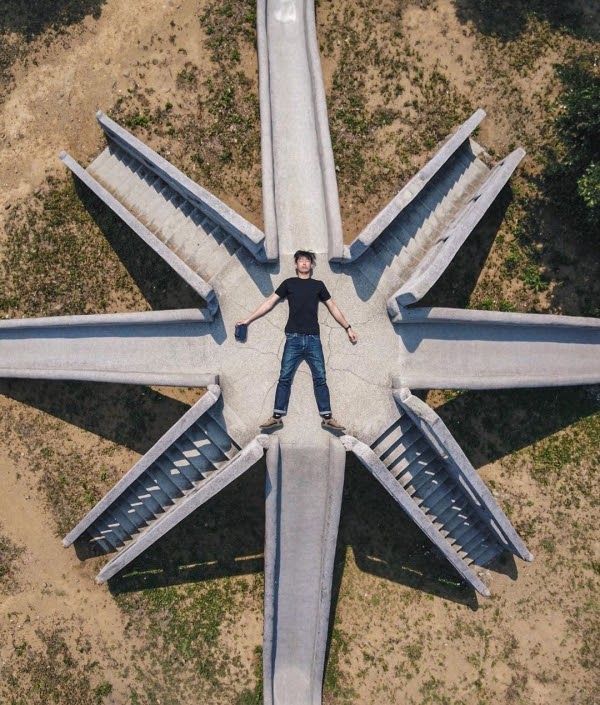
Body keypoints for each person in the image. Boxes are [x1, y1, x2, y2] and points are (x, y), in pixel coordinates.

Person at [236, 250, 357, 430]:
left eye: (307, 260)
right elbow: (269, 303)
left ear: (311, 265)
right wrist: (248, 320)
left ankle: (327, 417)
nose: (304, 263)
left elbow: (333, 307)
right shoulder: (289, 283)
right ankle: (277, 416)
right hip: (293, 338)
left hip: (313, 339)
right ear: (295, 264)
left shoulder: (318, 285)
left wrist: (348, 327)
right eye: (301, 260)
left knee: (320, 378)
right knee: (284, 377)